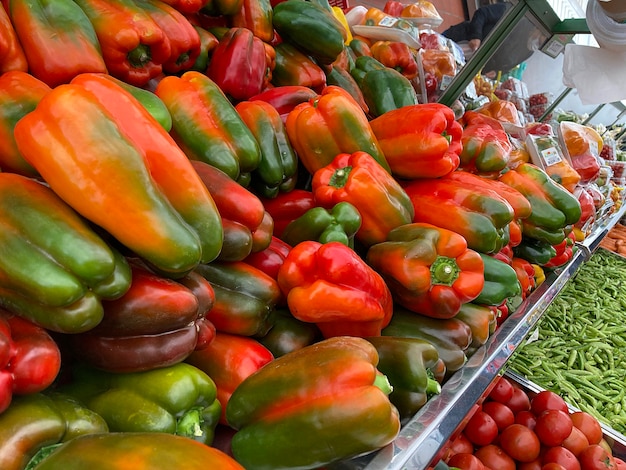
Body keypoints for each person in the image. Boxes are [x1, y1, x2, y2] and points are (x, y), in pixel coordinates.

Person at [442, 2, 511, 53]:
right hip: (462, 36)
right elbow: (481, 13)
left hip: (469, 57)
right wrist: (476, 36)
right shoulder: (508, 10)